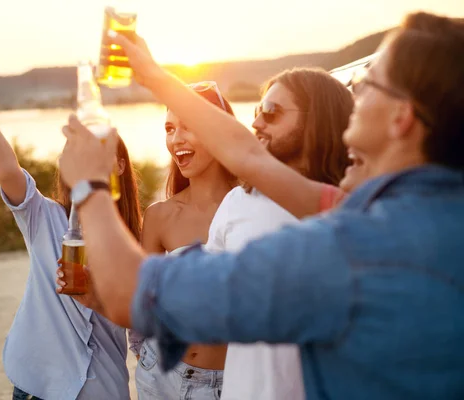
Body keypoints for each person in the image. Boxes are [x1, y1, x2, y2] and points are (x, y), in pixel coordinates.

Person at [56, 11, 464, 400]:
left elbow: (136, 294)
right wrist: (154, 76)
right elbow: (247, 154)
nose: (353, 94)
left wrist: (90, 186)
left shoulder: (351, 249)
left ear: (401, 117)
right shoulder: (412, 215)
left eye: (366, 81)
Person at [0, 49, 142, 400]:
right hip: (38, 387)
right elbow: (6, 169)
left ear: (118, 164)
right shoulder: (44, 218)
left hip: (102, 390)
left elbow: (148, 318)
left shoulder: (137, 239)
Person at [203, 68, 353, 400]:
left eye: (271, 113)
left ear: (317, 120)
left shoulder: (353, 209)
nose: (256, 124)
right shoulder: (239, 201)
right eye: (257, 112)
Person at [130, 81, 235, 400]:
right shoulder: (160, 215)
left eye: (188, 126)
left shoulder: (255, 205)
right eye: (169, 128)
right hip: (162, 376)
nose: (176, 139)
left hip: (234, 381)